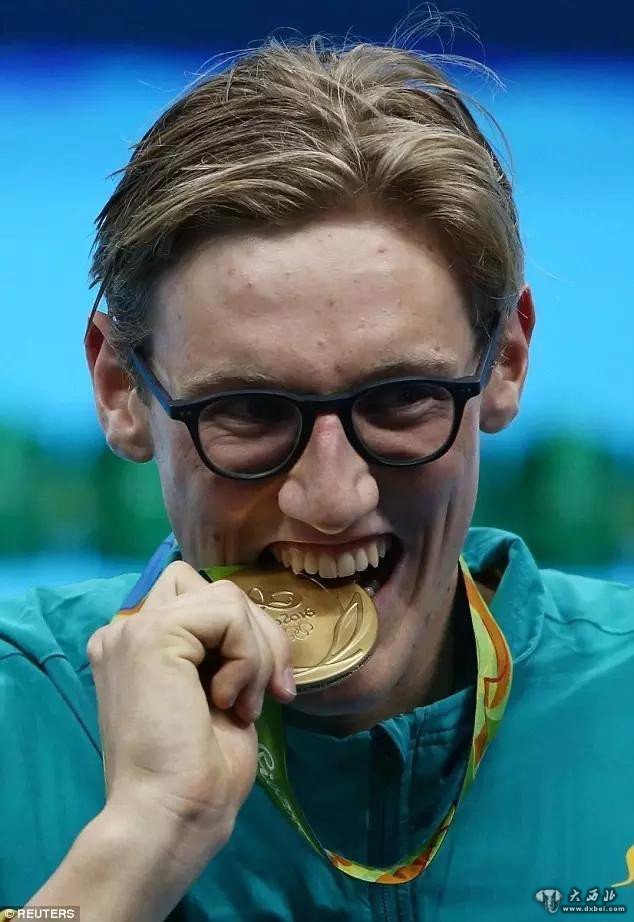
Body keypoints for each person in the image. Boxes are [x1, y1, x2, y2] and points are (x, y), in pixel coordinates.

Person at [1, 33, 633, 922]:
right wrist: (141, 841)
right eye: (249, 411)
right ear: (120, 390)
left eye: (403, 399)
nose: (333, 499)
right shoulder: (17, 719)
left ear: (506, 362)